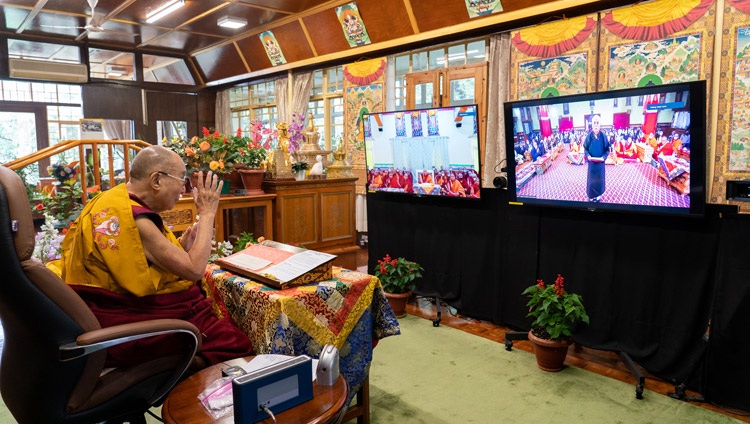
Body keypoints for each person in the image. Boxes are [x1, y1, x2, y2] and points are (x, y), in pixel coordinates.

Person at [47, 145, 253, 368]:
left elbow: (137, 262)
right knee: (235, 342)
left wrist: (180, 249)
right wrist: (207, 213)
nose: (183, 189)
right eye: (182, 180)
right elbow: (194, 269)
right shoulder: (136, 220)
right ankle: (188, 384)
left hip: (101, 311)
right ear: (156, 180)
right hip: (131, 321)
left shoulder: (110, 201)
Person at [584, 115, 610, 202]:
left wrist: (604, 157)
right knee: (592, 182)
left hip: (600, 164)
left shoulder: (603, 136)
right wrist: (588, 156)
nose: (595, 125)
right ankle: (591, 197)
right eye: (594, 123)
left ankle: (598, 196)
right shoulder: (589, 136)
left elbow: (607, 150)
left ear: (600, 125)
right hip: (592, 165)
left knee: (599, 181)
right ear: (592, 124)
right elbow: (585, 149)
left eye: (597, 123)